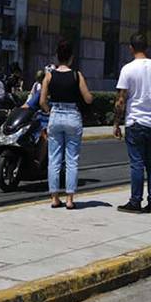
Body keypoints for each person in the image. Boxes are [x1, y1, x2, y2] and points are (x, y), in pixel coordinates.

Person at [114, 33, 151, 213]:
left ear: (131, 48)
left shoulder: (128, 69)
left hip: (135, 121)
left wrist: (116, 123)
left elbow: (121, 100)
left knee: (137, 164)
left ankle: (135, 201)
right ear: (146, 48)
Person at [40, 41, 93, 210]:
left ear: (57, 57)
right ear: (71, 58)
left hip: (55, 115)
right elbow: (88, 98)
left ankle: (55, 198)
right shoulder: (77, 75)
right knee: (72, 160)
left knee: (54, 159)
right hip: (72, 116)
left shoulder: (49, 76)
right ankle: (70, 199)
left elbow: (42, 101)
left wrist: (51, 111)